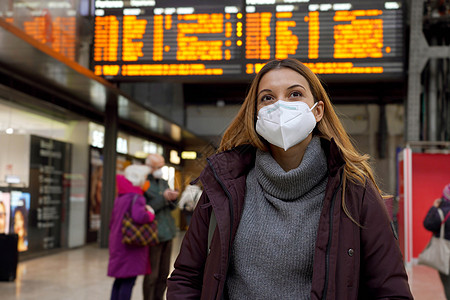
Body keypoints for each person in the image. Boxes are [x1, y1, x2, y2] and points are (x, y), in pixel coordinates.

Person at [167, 58, 413, 299]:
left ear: (317, 111)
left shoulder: (354, 190)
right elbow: (186, 278)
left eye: (294, 94)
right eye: (267, 98)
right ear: (255, 115)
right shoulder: (224, 186)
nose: (280, 106)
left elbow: (390, 290)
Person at [108, 164, 156, 300]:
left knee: (119, 280)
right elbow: (140, 216)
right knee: (129, 281)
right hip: (130, 246)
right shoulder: (137, 197)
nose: (147, 181)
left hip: (118, 241)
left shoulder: (121, 196)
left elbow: (112, 221)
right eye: (145, 178)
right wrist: (150, 214)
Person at [143, 153, 179, 300]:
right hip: (153, 234)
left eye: (161, 167)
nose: (160, 170)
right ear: (149, 167)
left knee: (164, 273)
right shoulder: (144, 183)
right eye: (157, 167)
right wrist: (162, 198)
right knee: (152, 275)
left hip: (167, 232)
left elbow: (170, 208)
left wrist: (172, 199)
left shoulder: (163, 182)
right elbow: (146, 208)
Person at [424, 183, 450, 299]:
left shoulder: (441, 212)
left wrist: (434, 207)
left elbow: (428, 224)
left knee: (447, 283)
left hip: (445, 253)